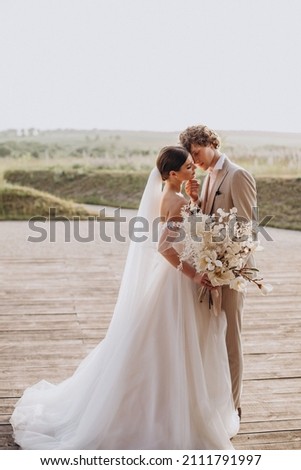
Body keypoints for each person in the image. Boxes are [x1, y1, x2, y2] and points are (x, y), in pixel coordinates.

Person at [10, 146, 239, 450]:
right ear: (171, 174)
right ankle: (167, 414)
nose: (192, 169)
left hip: (175, 282)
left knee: (169, 346)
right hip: (179, 284)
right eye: (186, 167)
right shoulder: (176, 200)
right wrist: (196, 275)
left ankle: (174, 407)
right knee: (173, 347)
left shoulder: (173, 196)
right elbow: (165, 248)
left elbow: (184, 230)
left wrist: (194, 203)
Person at [179, 125, 257, 420]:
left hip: (232, 273)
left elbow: (247, 228)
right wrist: (194, 201)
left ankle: (234, 407)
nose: (194, 160)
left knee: (230, 339)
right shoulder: (207, 176)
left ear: (208, 143)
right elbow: (206, 224)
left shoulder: (237, 175)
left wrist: (228, 267)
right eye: (191, 157)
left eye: (196, 153)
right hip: (211, 270)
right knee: (214, 337)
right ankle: (216, 403)